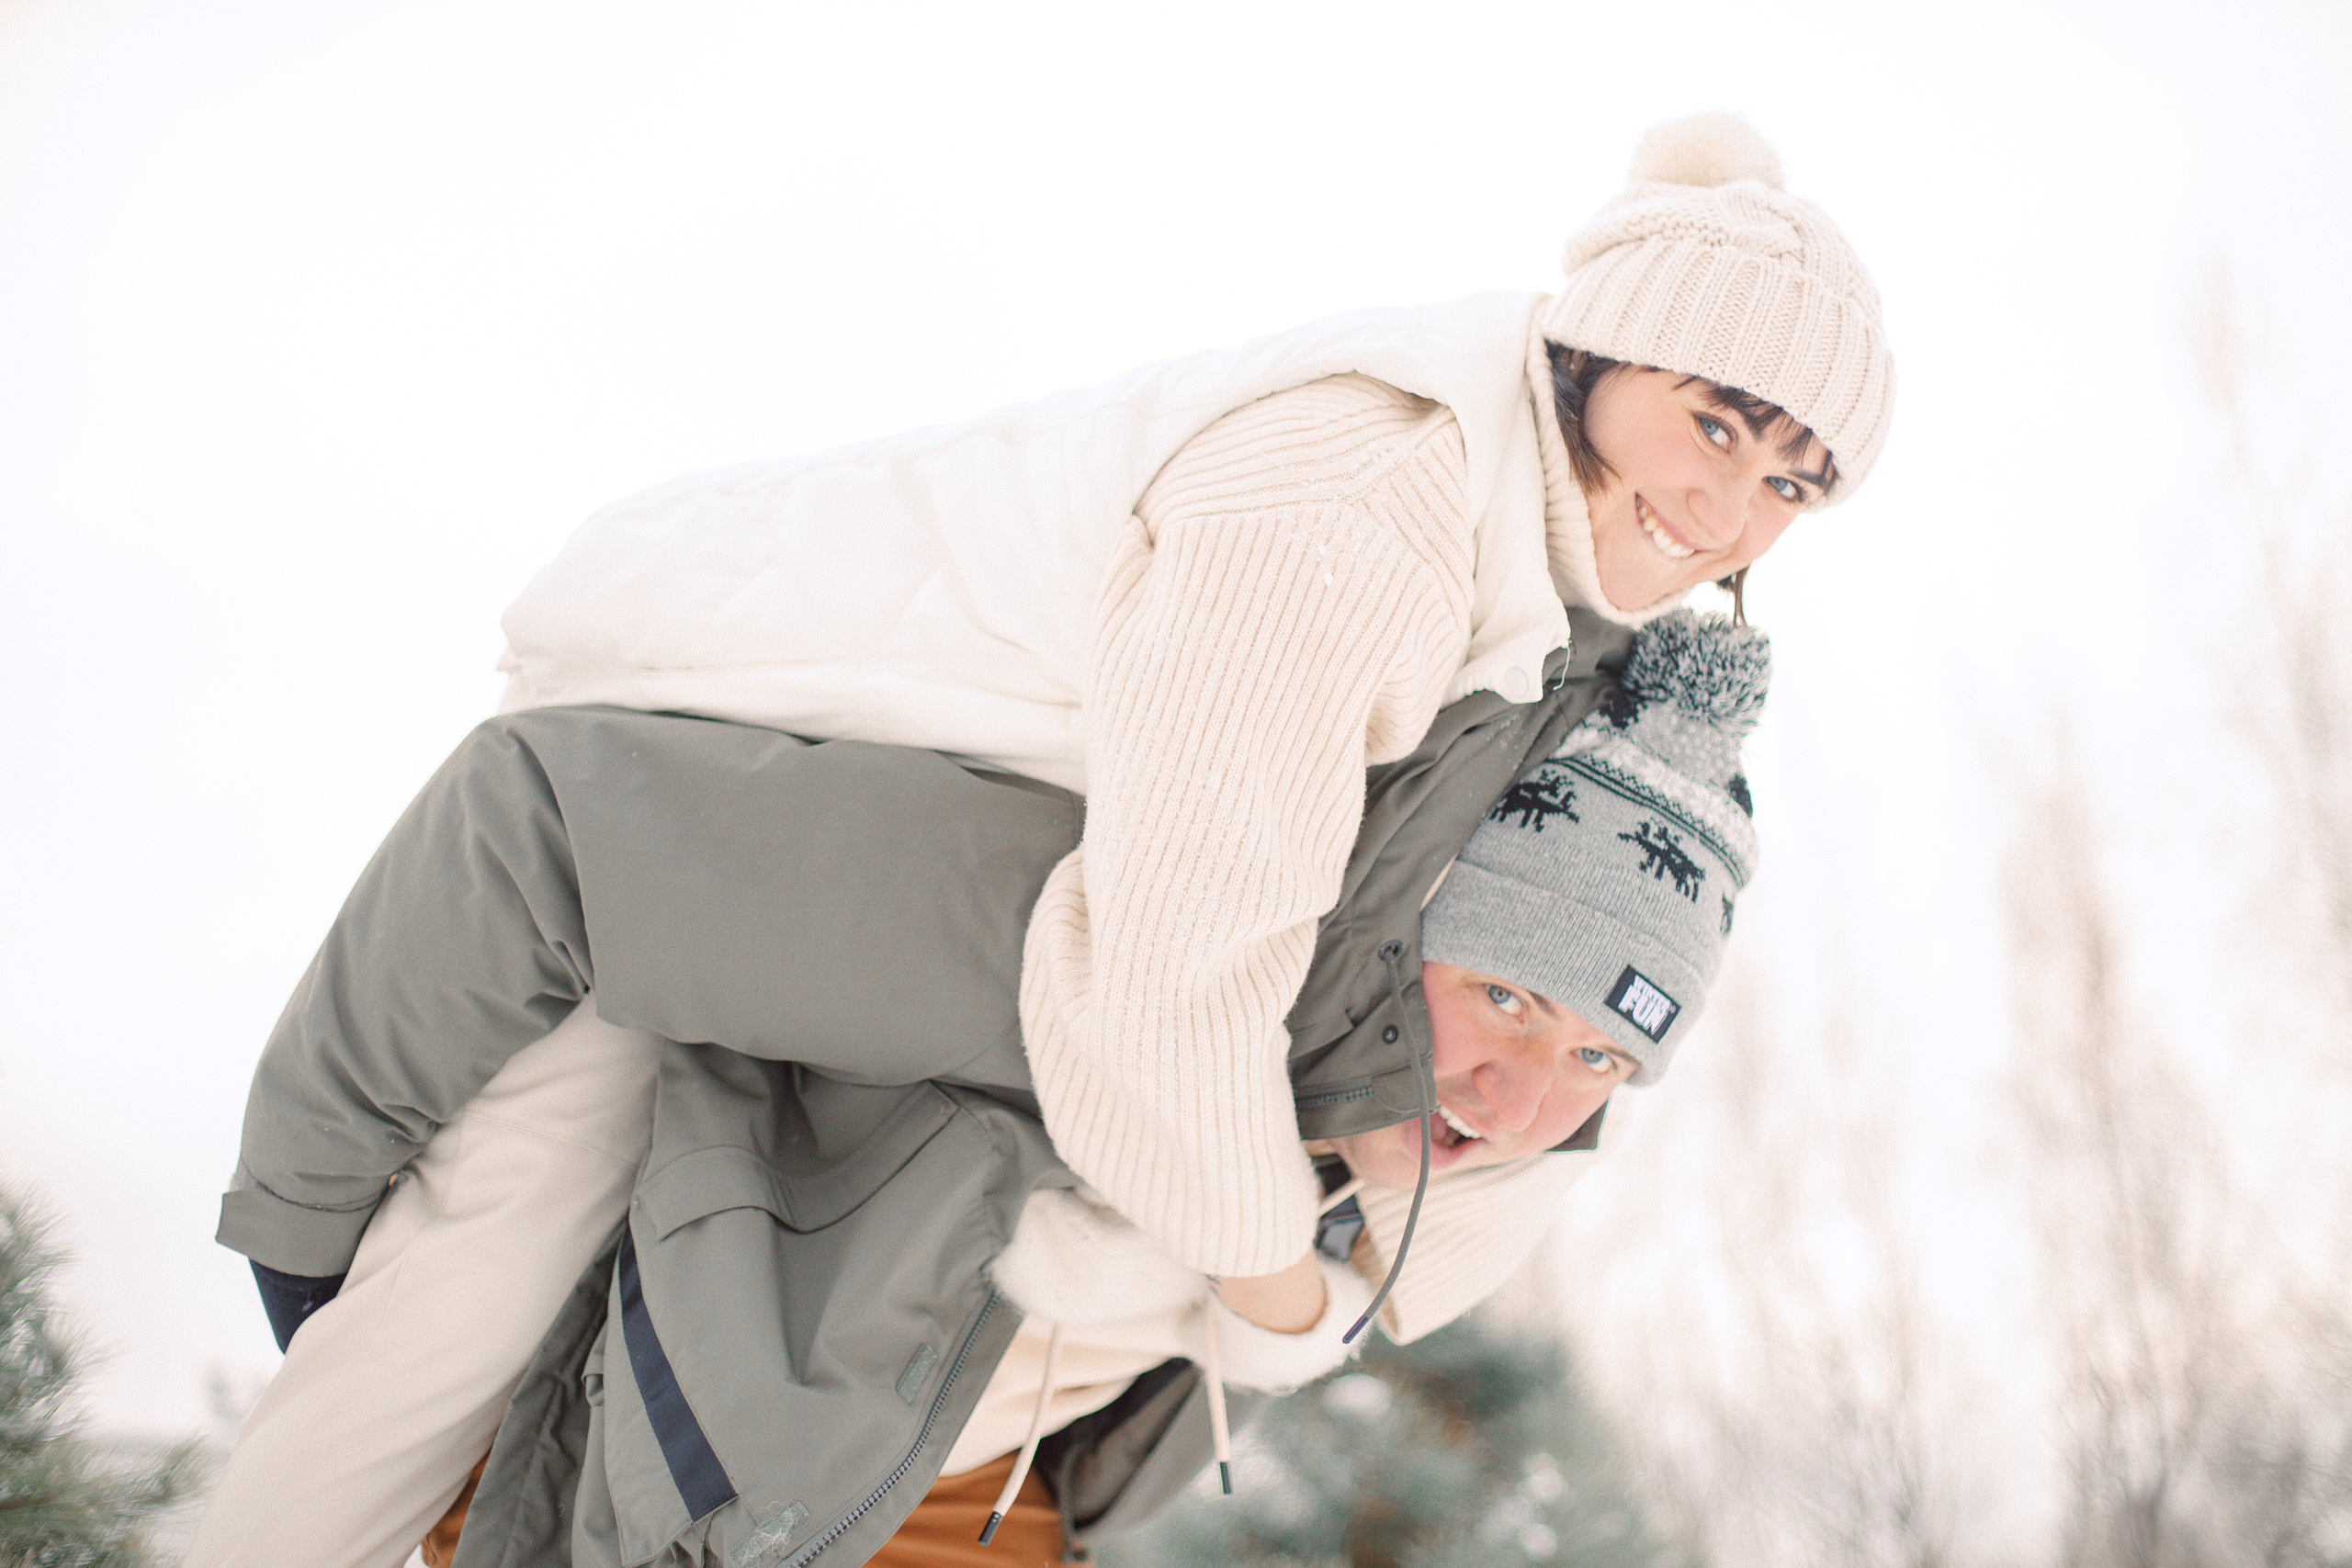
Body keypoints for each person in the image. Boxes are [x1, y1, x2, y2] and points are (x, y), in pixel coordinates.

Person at [191, 109, 1890, 1566]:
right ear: (1591, 354)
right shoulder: (1361, 509)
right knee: (475, 1276)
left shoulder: (1553, 577)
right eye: (1714, 423)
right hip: (674, 748)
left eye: (1792, 482)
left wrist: (1381, 1206)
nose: (1729, 513)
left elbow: (1513, 1002)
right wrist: (1286, 1304)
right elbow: (1159, 1004)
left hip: (849, 834)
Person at [220, 611, 1770, 1568]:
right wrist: (305, 1241)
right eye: (1504, 995)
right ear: (1399, 922)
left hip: (987, 1522)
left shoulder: (1441, 1178)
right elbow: (538, 821)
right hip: (701, 1489)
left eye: (1600, 1059)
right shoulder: (1079, 943)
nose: (1516, 1102)